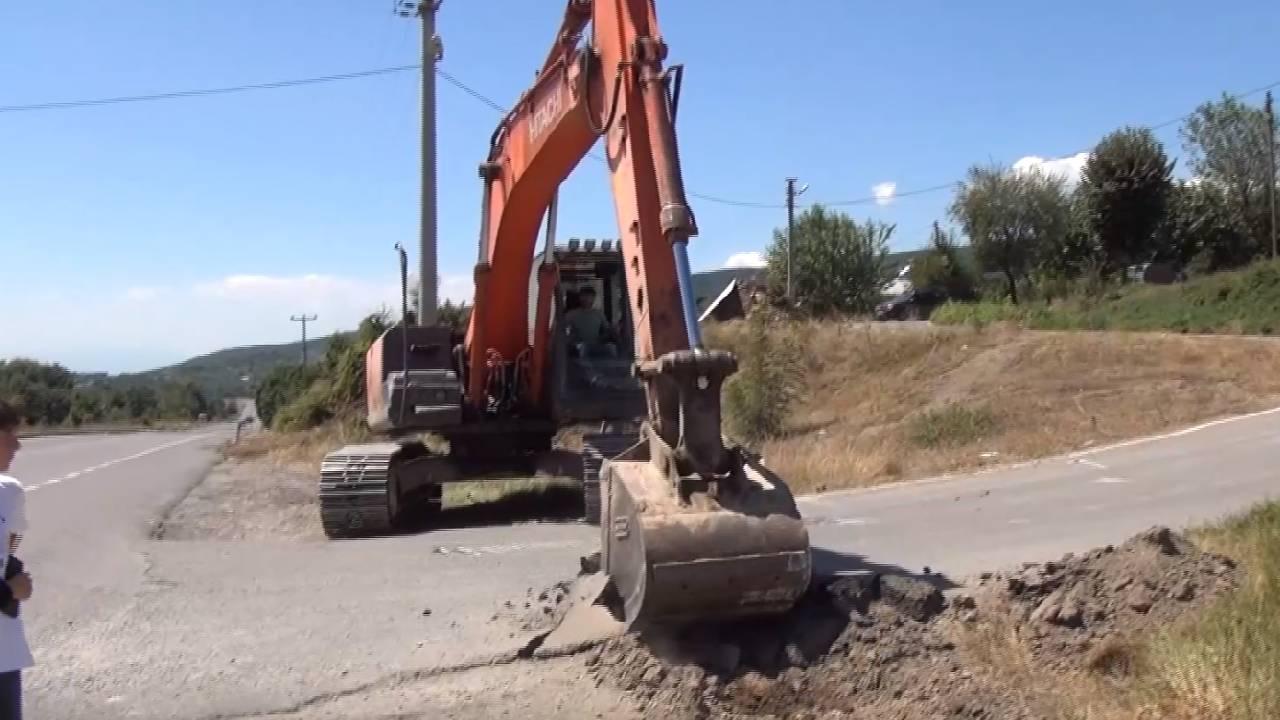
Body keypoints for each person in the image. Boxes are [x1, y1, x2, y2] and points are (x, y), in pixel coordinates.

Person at [0, 400, 32, 720]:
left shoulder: (8, 491)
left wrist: (10, 568)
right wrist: (10, 591)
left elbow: (11, 541)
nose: (17, 444)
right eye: (9, 433)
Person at [563, 286, 617, 358]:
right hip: (578, 346)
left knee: (611, 348)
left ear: (593, 298)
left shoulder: (599, 314)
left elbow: (607, 330)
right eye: (583, 296)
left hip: (596, 345)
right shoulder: (571, 314)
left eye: (589, 296)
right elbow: (562, 330)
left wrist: (602, 338)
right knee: (583, 349)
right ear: (579, 297)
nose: (586, 299)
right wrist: (570, 339)